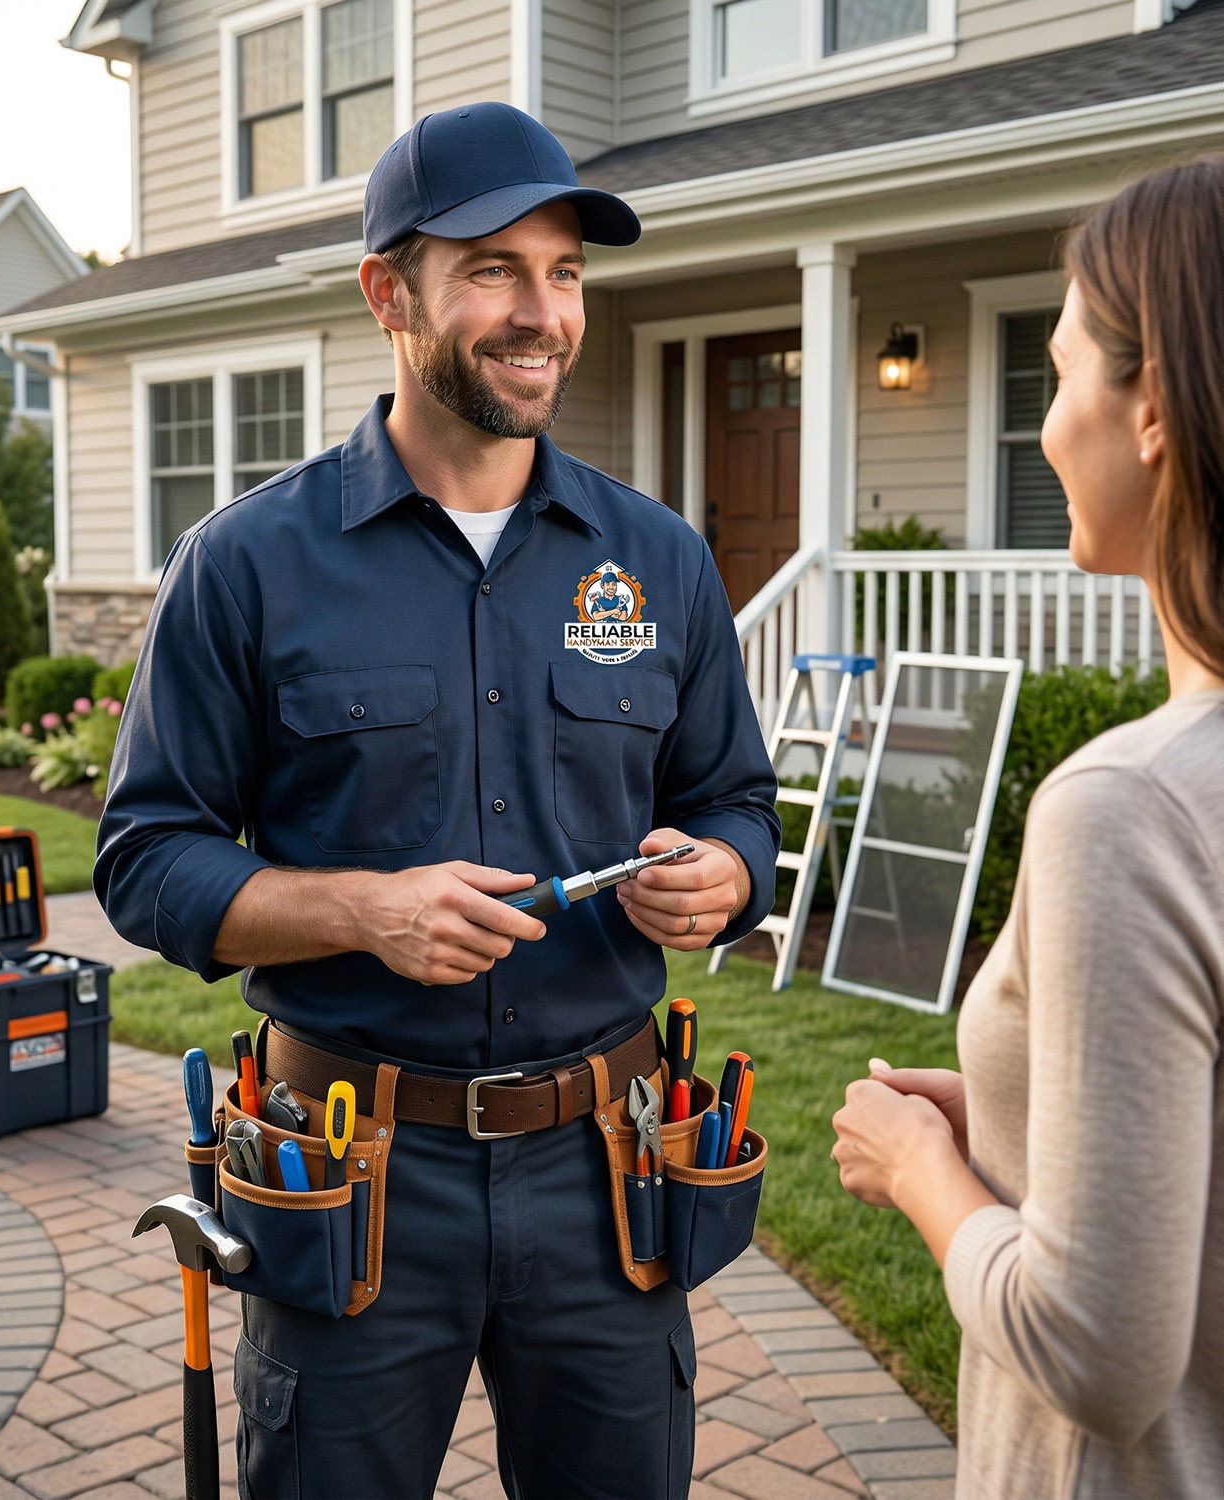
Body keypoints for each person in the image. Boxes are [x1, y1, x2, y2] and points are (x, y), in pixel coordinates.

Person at [95, 101, 780, 1499]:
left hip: (608, 1174)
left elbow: (736, 799)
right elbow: (144, 860)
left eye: (565, 272)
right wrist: (361, 910)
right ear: (385, 294)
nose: (541, 313)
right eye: (491, 269)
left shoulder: (656, 557)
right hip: (350, 1179)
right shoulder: (244, 566)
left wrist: (725, 872)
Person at [830, 156, 1224, 1499]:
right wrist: (1012, 1127)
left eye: (1052, 377)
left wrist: (925, 1170)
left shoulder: (1128, 808)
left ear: (1154, 403)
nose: (1046, 424)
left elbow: (1096, 1351)